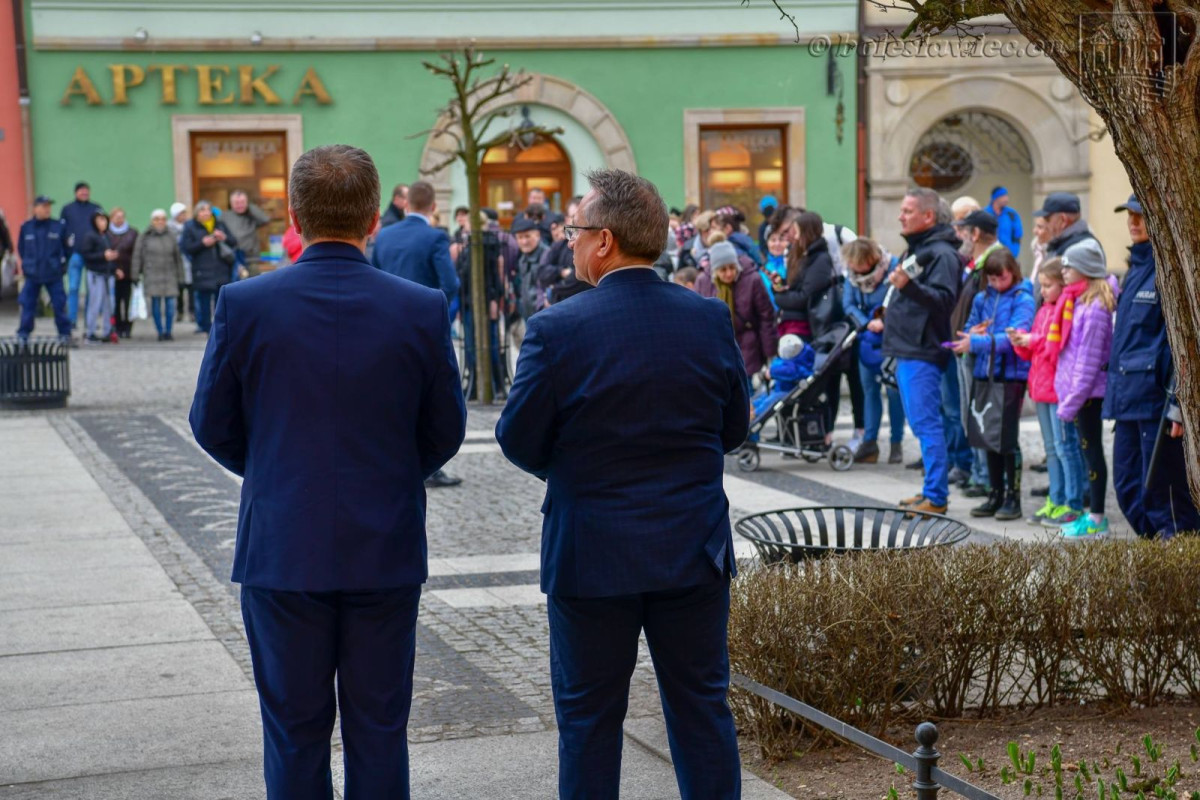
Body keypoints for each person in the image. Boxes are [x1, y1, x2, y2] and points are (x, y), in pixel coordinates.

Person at [190, 145, 464, 800]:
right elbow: (444, 430)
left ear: (293, 214)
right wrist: (393, 474)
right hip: (384, 545)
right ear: (375, 217)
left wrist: (273, 470)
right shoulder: (420, 308)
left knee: (292, 730)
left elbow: (211, 423)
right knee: (378, 728)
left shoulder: (245, 303)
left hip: (283, 545)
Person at [496, 168, 747, 800]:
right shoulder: (707, 319)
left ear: (603, 241)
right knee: (702, 712)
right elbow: (733, 427)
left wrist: (578, 469)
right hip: (691, 547)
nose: (570, 241)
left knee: (587, 720)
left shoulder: (557, 328)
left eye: (576, 230)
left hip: (591, 553)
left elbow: (518, 439)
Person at [1104, 195, 1200, 539]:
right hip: (1127, 399)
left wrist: (1178, 404)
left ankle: (1180, 573)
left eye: (1140, 215)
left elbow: (1186, 344)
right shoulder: (1135, 269)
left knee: (1165, 498)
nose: (1133, 222)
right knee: (1129, 490)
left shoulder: (1171, 269)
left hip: (1156, 403)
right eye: (1129, 214)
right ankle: (1161, 570)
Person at [371, 180, 461, 489]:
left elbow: (374, 274)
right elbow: (450, 282)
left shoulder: (385, 236)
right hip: (423, 328)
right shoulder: (435, 236)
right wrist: (439, 313)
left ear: (406, 204)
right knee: (429, 396)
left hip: (384, 326)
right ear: (433, 206)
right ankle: (429, 467)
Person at [883, 188, 961, 514]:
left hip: (923, 350)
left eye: (907, 211)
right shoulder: (923, 249)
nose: (901, 216)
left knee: (928, 425)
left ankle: (937, 497)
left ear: (928, 216)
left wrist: (908, 287)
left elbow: (944, 300)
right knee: (921, 424)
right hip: (909, 348)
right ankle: (930, 489)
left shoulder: (942, 254)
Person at [950, 249, 1034, 520]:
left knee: (1006, 439)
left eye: (1003, 278)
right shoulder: (981, 297)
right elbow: (972, 325)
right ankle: (994, 493)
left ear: (1013, 272)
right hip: (984, 373)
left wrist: (975, 342)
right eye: (993, 279)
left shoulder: (1023, 298)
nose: (998, 284)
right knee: (987, 437)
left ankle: (1013, 497)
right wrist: (972, 333)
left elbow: (1013, 338)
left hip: (1010, 376)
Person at [1011, 258, 1081, 527]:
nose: (1043, 291)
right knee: (1052, 449)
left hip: (1058, 389)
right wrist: (1021, 342)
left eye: (1048, 285)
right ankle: (1056, 498)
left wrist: (1033, 340)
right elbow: (1033, 352)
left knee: (1065, 448)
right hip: (1040, 387)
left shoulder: (1065, 311)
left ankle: (1072, 503)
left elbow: (1056, 348)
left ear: (1063, 285)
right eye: (1041, 286)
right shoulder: (1043, 311)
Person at [1051, 239, 1115, 538]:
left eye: (1069, 265)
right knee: (1087, 453)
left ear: (1085, 270)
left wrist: (1069, 403)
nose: (1063, 271)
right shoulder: (1080, 301)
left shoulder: (1094, 309)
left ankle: (1097, 518)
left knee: (1091, 455)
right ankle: (1092, 515)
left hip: (1087, 397)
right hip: (1080, 396)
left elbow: (1087, 364)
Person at [771, 211, 842, 442]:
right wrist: (782, 289)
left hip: (809, 327)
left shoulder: (819, 259)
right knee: (789, 381)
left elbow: (804, 296)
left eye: (797, 231)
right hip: (797, 324)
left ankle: (823, 433)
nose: (793, 236)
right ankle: (791, 431)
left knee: (815, 384)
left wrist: (779, 297)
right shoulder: (804, 255)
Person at [949, 210, 1005, 496]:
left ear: (976, 233)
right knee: (967, 413)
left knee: (978, 414)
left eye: (964, 231)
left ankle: (985, 477)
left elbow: (992, 309)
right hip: (966, 348)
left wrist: (976, 335)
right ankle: (980, 473)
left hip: (978, 350)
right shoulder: (977, 262)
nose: (960, 236)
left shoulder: (994, 261)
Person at [842, 238, 906, 464]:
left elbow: (901, 301)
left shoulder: (893, 268)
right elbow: (848, 304)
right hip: (867, 339)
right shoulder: (852, 276)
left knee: (893, 392)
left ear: (869, 260)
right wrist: (865, 322)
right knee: (869, 390)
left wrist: (884, 321)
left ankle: (896, 443)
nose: (852, 268)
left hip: (891, 338)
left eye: (855, 264)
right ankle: (869, 443)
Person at [696, 240, 778, 388]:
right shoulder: (703, 282)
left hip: (748, 346)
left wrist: (769, 353)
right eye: (723, 269)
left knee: (746, 392)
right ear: (715, 270)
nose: (729, 273)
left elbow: (766, 317)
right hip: (717, 349)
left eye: (732, 268)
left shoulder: (752, 279)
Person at [14, 195, 72, 345]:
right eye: (43, 206)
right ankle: (24, 333)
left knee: (59, 304)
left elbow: (67, 248)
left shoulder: (58, 226)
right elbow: (21, 248)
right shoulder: (26, 227)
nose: (47, 209)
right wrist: (28, 264)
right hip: (32, 274)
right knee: (28, 304)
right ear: (36, 208)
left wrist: (61, 265)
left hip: (53, 273)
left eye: (49, 206)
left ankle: (64, 334)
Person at [181, 201, 236, 335]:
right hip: (202, 271)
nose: (206, 213)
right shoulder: (190, 227)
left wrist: (224, 237)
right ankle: (206, 328)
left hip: (221, 270)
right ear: (197, 213)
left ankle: (221, 329)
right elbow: (186, 247)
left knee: (221, 303)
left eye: (208, 210)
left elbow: (234, 242)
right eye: (202, 210)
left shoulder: (220, 224)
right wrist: (202, 243)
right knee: (203, 302)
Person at [132, 209, 184, 341]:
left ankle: (168, 331)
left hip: (169, 275)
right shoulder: (145, 236)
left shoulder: (171, 236)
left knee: (170, 306)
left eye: (162, 219)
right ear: (152, 221)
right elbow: (137, 256)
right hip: (152, 275)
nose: (160, 222)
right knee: (155, 305)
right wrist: (135, 274)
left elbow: (178, 257)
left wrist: (181, 276)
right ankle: (160, 331)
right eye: (157, 219)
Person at [59, 181, 103, 329]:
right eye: (81, 191)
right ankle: (71, 320)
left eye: (86, 191)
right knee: (73, 288)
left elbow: (102, 229)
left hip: (92, 255)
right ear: (76, 192)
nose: (84, 193)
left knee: (92, 289)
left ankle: (89, 320)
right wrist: (65, 251)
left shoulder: (96, 208)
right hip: (75, 254)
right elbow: (63, 231)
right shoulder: (67, 209)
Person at [751, 333, 815, 421]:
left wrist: (772, 372)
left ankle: (755, 414)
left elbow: (789, 372)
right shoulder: (800, 360)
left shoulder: (798, 368)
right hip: (781, 389)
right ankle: (751, 407)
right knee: (764, 396)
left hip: (787, 392)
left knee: (771, 399)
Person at [79, 211, 119, 343]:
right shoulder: (90, 236)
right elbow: (86, 255)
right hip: (96, 274)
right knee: (95, 303)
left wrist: (114, 266)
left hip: (108, 273)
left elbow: (109, 255)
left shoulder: (107, 236)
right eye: (100, 220)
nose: (103, 222)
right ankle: (90, 332)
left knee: (109, 304)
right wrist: (103, 255)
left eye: (104, 219)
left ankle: (108, 330)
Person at [107, 208, 138, 338]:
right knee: (115, 301)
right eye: (116, 217)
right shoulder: (107, 233)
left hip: (128, 271)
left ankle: (128, 327)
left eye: (121, 217)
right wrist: (115, 269)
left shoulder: (132, 233)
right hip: (112, 272)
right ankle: (118, 326)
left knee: (128, 301)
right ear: (112, 218)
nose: (119, 219)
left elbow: (136, 253)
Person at [1038, 192, 1099, 257]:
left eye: (1047, 219)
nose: (1046, 225)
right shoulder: (1061, 243)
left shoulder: (1083, 248)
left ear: (1063, 220)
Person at [225, 190, 271, 277]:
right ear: (231, 203)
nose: (240, 205)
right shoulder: (225, 217)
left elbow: (265, 220)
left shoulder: (252, 215)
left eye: (242, 202)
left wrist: (249, 207)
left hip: (251, 260)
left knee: (254, 287)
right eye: (236, 202)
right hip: (232, 260)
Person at [169, 202, 193, 320]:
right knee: (179, 289)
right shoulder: (170, 228)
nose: (183, 216)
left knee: (191, 289)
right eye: (181, 213)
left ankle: (192, 312)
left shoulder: (190, 226)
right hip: (176, 262)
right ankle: (180, 312)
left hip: (189, 261)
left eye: (184, 213)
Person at [988, 186, 1023, 257]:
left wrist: (1014, 252)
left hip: (1008, 254)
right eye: (1003, 196)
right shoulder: (985, 213)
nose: (1006, 199)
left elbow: (1017, 235)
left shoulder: (1012, 214)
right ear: (995, 198)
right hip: (990, 255)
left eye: (1006, 195)